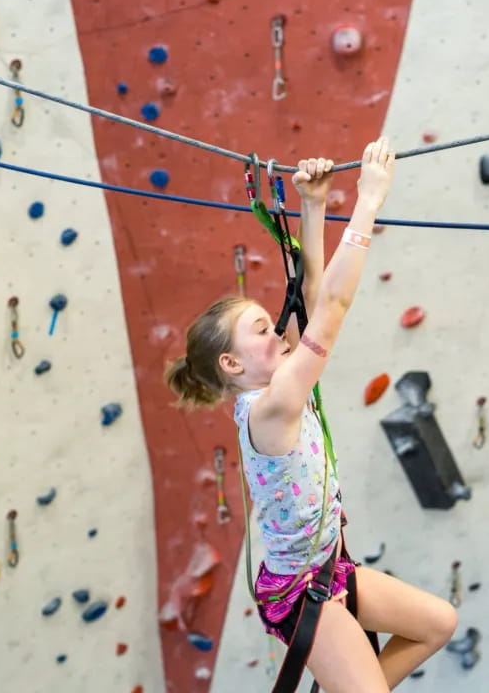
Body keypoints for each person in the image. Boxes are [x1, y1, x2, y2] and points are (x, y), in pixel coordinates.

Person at [165, 137, 457, 692]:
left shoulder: (278, 382)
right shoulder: (274, 404)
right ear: (231, 363)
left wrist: (314, 204)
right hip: (300, 591)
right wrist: (368, 201)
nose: (277, 331)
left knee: (436, 623)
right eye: (260, 331)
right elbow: (333, 311)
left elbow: (313, 297)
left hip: (329, 566)